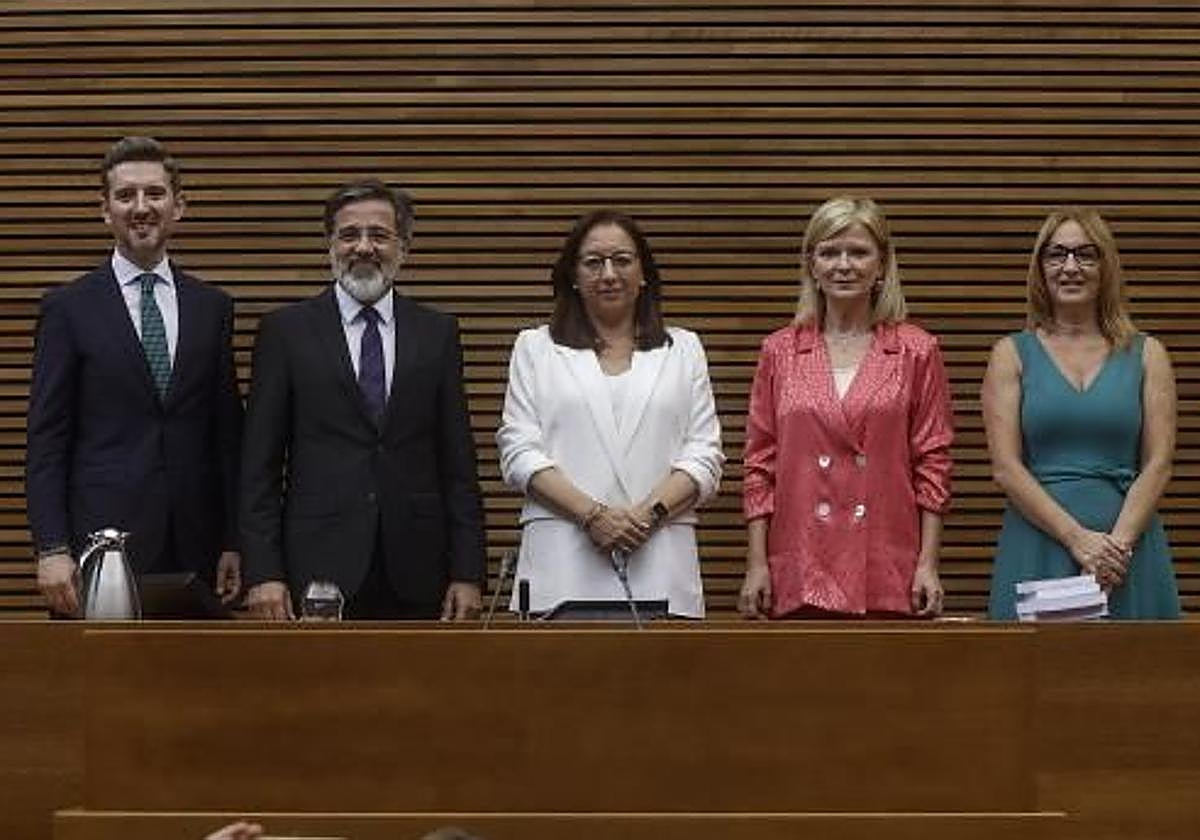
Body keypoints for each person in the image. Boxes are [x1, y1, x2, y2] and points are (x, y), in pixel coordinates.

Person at [240, 179, 486, 620]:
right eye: (349, 235)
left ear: (404, 247)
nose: (364, 247)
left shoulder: (437, 333)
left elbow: (458, 464)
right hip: (315, 571)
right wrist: (263, 571)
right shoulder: (286, 332)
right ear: (329, 245)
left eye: (379, 235)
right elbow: (259, 465)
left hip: (418, 570)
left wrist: (468, 573)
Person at [25, 136, 243, 616]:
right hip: (100, 551)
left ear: (178, 206)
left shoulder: (212, 308)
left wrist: (234, 539)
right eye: (125, 196)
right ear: (106, 211)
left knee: (198, 687)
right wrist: (51, 547)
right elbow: (47, 440)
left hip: (196, 547)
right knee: (101, 689)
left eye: (155, 194)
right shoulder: (68, 309)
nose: (141, 207)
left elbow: (226, 437)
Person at [496, 209, 724, 618]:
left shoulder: (684, 349)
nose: (608, 274)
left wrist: (647, 515)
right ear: (572, 275)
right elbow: (518, 452)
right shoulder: (535, 348)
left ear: (643, 274)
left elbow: (704, 456)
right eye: (593, 262)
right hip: (563, 558)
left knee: (666, 681)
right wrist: (593, 516)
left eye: (622, 260)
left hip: (661, 555)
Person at [738, 196, 953, 619]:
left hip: (886, 560)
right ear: (812, 265)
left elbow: (933, 464)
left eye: (858, 252)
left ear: (881, 265)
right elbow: (759, 466)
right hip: (799, 560)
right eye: (830, 252)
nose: (844, 264)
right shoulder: (779, 351)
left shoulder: (916, 350)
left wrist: (928, 564)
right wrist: (756, 564)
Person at [983, 207, 1180, 619]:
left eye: (1085, 255)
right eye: (1056, 255)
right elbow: (1005, 468)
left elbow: (1159, 463)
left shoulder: (1148, 354)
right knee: (1030, 680)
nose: (1070, 266)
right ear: (1041, 268)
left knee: (1137, 679)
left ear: (1105, 266)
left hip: (1128, 552)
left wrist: (1115, 549)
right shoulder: (1010, 354)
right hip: (1040, 542)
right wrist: (1078, 540)